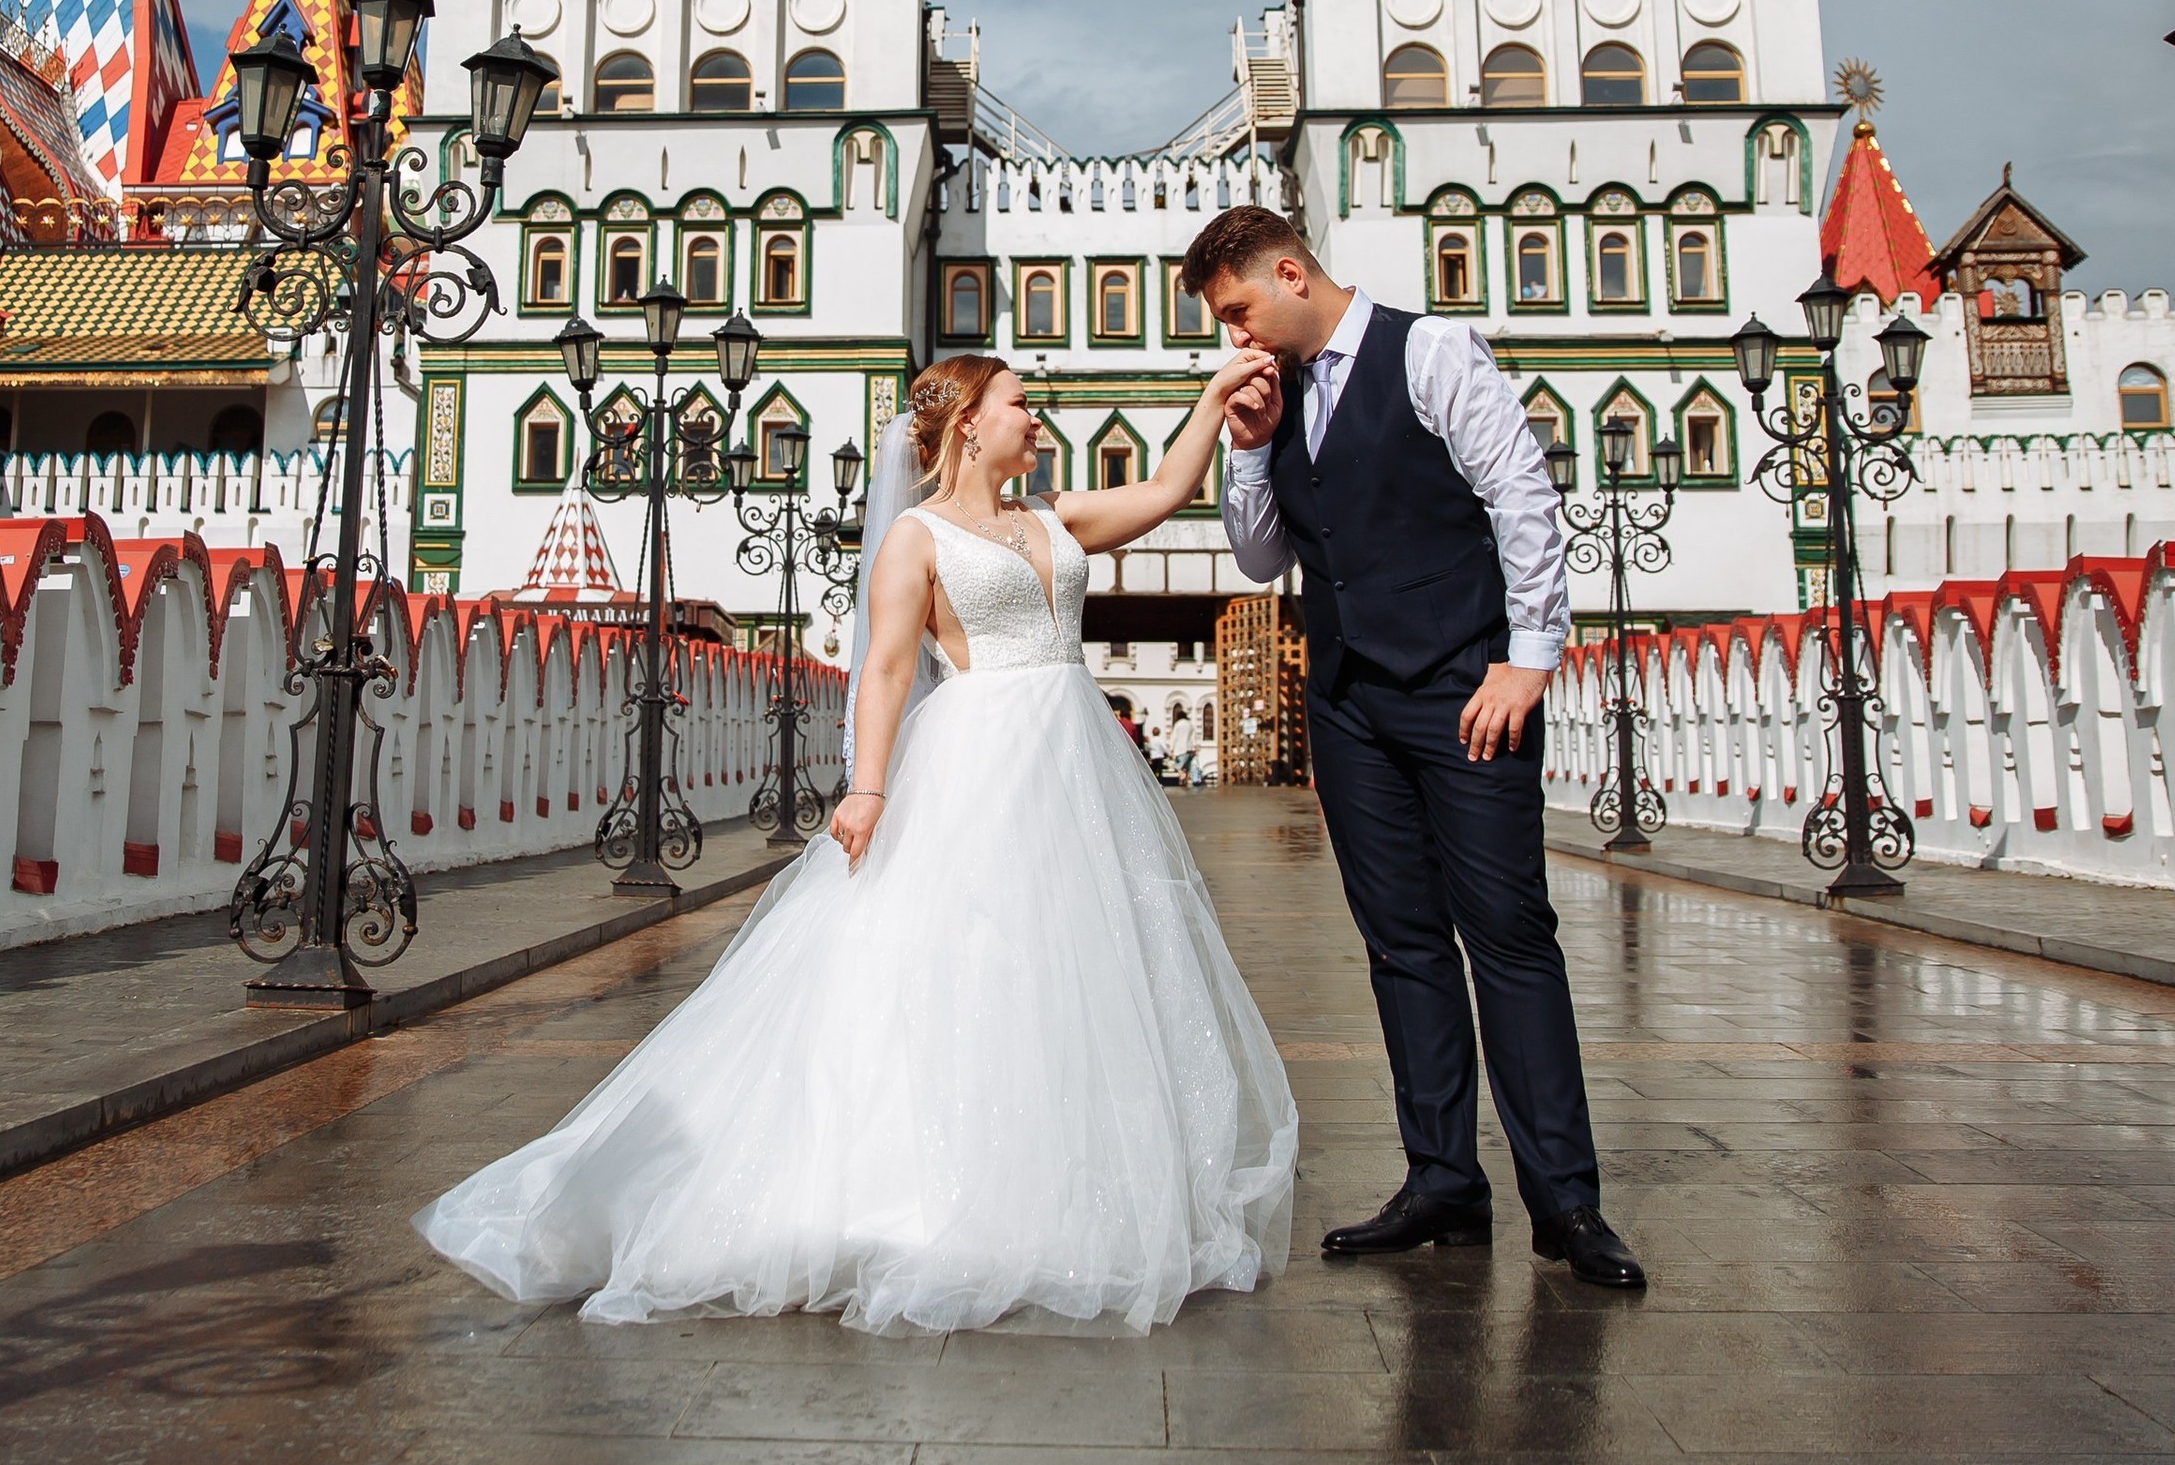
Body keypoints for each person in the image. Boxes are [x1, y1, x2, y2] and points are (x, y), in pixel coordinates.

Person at [415, 351, 1298, 1333]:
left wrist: (1214, 400)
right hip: (982, 757)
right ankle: (930, 1193)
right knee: (968, 955)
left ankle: (1053, 1175)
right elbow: (880, 669)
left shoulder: (1054, 518)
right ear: (968, 423)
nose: (1035, 421)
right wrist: (868, 787)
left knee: (1071, 960)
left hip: (1076, 757)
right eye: (1019, 405)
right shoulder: (916, 540)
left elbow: (1168, 488)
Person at [1181, 205, 1644, 1291]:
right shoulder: (1278, 396)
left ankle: (1565, 1200)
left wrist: (1528, 657)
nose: (1233, 338)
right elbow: (1259, 560)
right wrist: (1250, 450)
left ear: (1290, 272)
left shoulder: (1428, 348)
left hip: (1462, 683)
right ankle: (1442, 1177)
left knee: (1508, 934)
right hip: (1349, 705)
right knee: (1400, 944)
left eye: (1238, 310)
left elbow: (1519, 494)